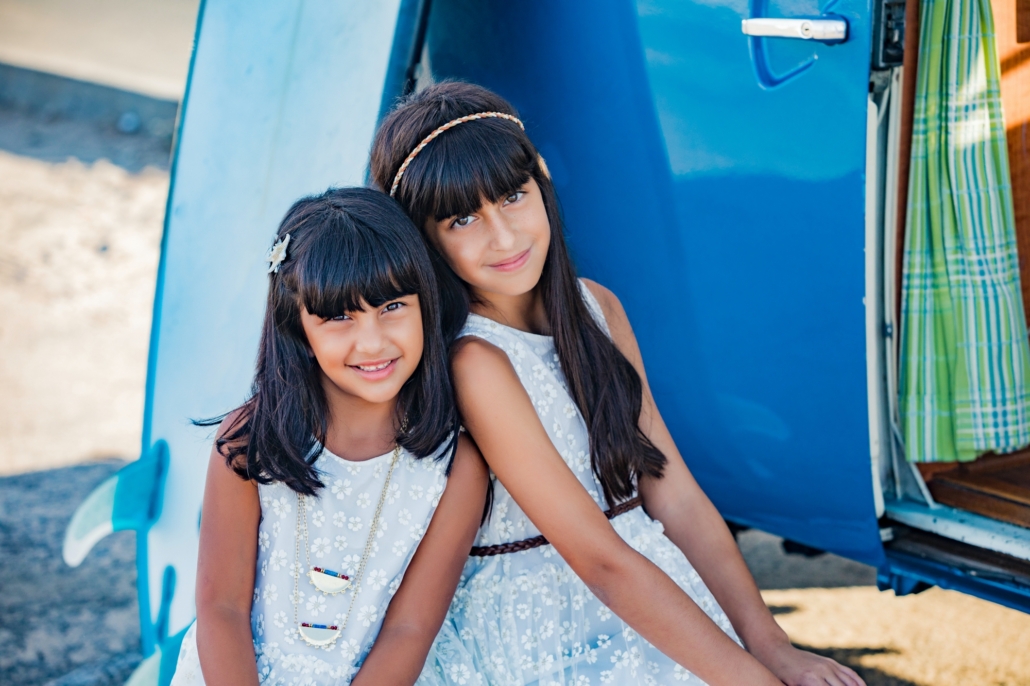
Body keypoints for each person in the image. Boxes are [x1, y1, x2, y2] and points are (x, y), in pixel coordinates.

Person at [370, 83, 865, 686]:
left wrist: (771, 646)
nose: (502, 236)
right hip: (552, 629)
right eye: (463, 218)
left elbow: (673, 491)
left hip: (655, 588)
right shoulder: (474, 360)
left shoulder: (596, 307)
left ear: (542, 181)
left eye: (512, 196)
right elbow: (596, 559)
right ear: (425, 239)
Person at [169, 187, 488, 685]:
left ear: (425, 302)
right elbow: (221, 607)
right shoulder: (249, 445)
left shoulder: (456, 466)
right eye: (339, 316)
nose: (373, 340)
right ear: (297, 327)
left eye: (393, 306)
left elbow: (410, 627)